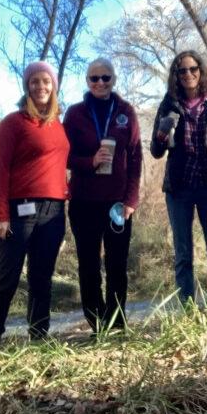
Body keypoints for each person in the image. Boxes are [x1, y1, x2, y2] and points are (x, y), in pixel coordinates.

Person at [0, 61, 69, 342]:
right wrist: (0, 215)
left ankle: (39, 336)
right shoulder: (13, 123)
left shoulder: (58, 124)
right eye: (35, 82)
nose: (41, 86)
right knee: (6, 279)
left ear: (53, 86)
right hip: (18, 213)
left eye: (46, 81)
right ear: (27, 86)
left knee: (41, 279)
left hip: (53, 212)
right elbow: (1, 170)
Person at [63, 58, 143, 330]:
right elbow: (63, 157)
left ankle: (117, 323)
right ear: (87, 81)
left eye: (106, 78)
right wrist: (90, 161)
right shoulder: (74, 114)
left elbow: (135, 157)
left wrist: (131, 199)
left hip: (117, 204)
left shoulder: (126, 112)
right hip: (84, 202)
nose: (100, 83)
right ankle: (97, 323)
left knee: (117, 266)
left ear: (114, 80)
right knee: (88, 265)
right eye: (94, 78)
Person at [150, 51, 207, 307]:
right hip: (179, 187)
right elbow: (156, 151)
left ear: (201, 70)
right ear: (176, 76)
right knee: (183, 254)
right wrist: (162, 134)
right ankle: (188, 310)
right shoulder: (169, 103)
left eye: (192, 68)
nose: (188, 74)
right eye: (181, 71)